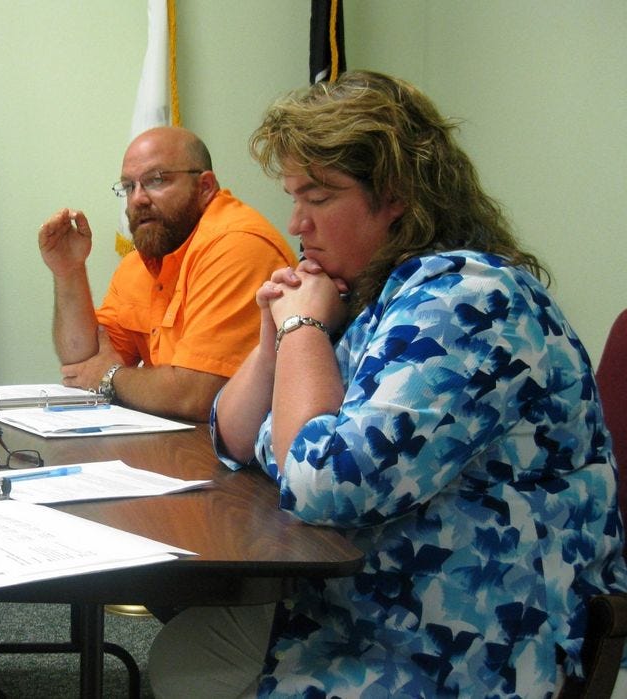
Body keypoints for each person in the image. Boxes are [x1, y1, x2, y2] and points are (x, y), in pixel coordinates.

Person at [148, 71, 627, 697]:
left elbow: (318, 479)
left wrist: (305, 327)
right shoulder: (382, 295)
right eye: (294, 197)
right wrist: (277, 337)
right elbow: (235, 438)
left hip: (472, 637)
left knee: (195, 670)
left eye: (318, 198)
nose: (297, 223)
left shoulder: (470, 301)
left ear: (397, 195)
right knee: (185, 657)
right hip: (370, 599)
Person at [38, 126, 296, 421]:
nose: (137, 199)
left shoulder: (237, 245)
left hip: (249, 458)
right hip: (179, 447)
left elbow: (198, 395)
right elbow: (82, 364)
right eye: (128, 186)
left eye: (156, 180)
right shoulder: (142, 261)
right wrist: (69, 271)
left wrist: (110, 377)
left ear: (205, 187)